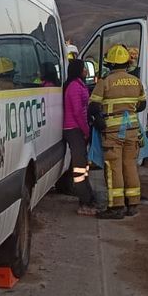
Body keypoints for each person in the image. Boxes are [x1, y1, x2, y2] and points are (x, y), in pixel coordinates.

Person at [89, 45, 147, 219]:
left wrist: (100, 119)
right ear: (127, 63)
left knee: (114, 168)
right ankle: (133, 203)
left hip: (113, 133)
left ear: (110, 64)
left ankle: (116, 207)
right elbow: (142, 105)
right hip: (132, 131)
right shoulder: (135, 81)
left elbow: (93, 106)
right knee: (130, 166)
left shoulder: (105, 82)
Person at [63, 59, 97, 216]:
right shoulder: (74, 87)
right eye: (84, 68)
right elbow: (77, 111)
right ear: (78, 70)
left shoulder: (77, 84)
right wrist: (86, 130)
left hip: (77, 128)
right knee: (79, 167)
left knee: (83, 165)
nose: (86, 71)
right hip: (75, 129)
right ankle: (84, 201)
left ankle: (88, 197)